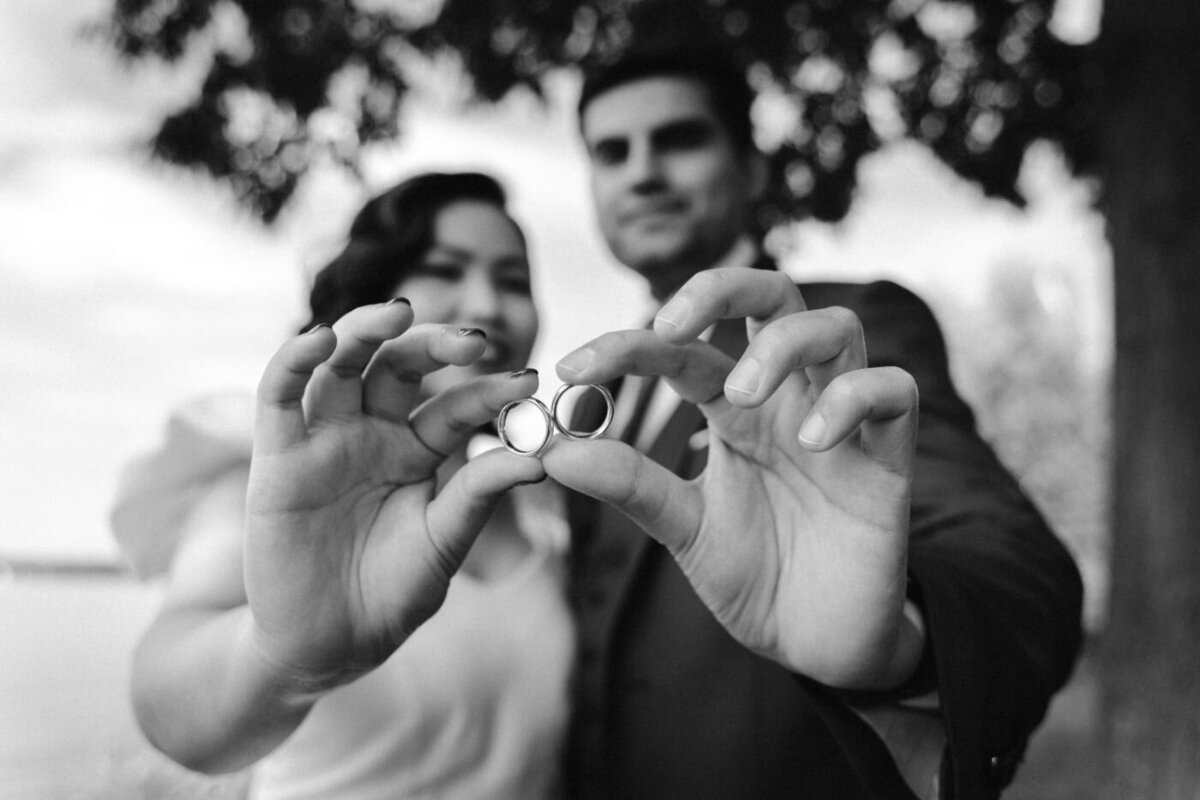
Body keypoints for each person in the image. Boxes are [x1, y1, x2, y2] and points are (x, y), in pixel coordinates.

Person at [530, 37, 1085, 800]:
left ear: (752, 168)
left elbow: (1015, 566)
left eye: (679, 139)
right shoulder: (602, 400)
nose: (642, 172)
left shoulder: (841, 333)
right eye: (610, 152)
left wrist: (901, 646)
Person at [111, 172, 575, 799]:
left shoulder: (545, 506)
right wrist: (285, 659)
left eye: (514, 281)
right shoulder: (263, 498)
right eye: (444, 269)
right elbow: (173, 713)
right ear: (375, 297)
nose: (489, 305)